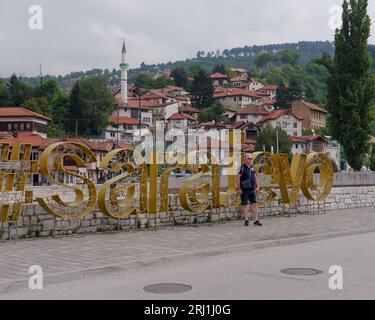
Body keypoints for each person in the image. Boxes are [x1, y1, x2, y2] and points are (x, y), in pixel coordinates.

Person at [236, 153, 262, 227]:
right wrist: (239, 188)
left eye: (251, 158)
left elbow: (255, 177)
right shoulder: (241, 168)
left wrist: (258, 187)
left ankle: (256, 220)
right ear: (244, 159)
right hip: (244, 189)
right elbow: (237, 178)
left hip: (252, 189)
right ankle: (246, 220)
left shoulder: (251, 168)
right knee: (245, 205)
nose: (250, 160)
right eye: (249, 158)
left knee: (255, 204)